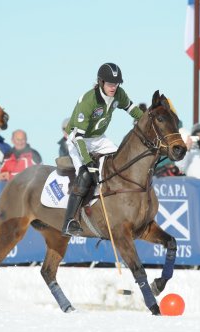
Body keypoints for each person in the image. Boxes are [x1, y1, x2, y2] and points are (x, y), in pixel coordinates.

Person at [61, 62, 144, 236]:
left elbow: (132, 109)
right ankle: (70, 221)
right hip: (78, 138)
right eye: (109, 84)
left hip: (99, 139)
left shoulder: (118, 94)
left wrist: (146, 122)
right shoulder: (89, 100)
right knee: (84, 173)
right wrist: (88, 160)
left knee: (119, 163)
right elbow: (78, 136)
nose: (113, 87)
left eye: (116, 84)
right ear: (100, 82)